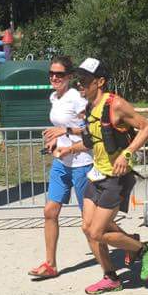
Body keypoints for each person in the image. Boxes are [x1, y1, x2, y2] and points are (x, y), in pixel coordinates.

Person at [71, 58, 148, 295]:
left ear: (100, 82)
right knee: (87, 228)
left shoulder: (115, 104)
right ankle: (110, 277)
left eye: (85, 80)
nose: (80, 85)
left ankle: (142, 249)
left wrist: (127, 154)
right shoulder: (90, 108)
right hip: (96, 175)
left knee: (97, 232)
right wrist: (68, 147)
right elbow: (93, 141)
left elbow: (147, 127)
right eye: (78, 80)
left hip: (115, 178)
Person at [27, 57, 91, 278]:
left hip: (82, 163)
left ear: (69, 76)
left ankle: (133, 245)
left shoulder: (77, 99)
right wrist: (55, 139)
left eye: (60, 74)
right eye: (51, 74)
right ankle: (50, 265)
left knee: (91, 222)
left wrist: (65, 132)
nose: (54, 77)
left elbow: (91, 129)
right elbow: (61, 126)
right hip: (61, 162)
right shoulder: (54, 97)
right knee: (50, 212)